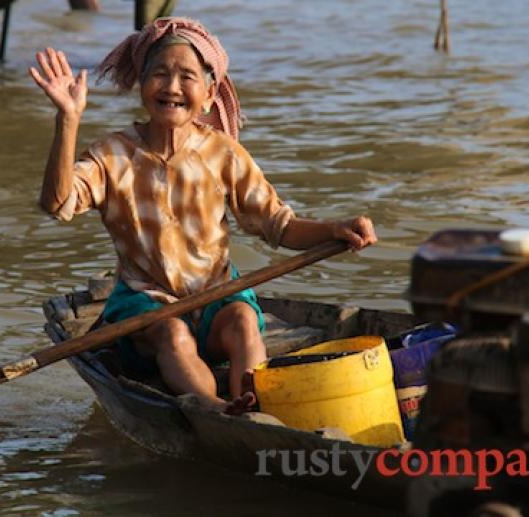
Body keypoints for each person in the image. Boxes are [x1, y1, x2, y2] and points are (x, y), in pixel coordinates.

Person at [29, 17, 376, 412]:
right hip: (146, 308)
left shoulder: (222, 153)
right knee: (173, 333)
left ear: (210, 94)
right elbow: (57, 205)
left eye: (186, 77)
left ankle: (258, 406)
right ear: (143, 86)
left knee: (244, 321)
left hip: (217, 296)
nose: (172, 87)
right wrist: (68, 120)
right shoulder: (112, 155)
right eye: (159, 74)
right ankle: (214, 410)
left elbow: (279, 226)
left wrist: (337, 228)